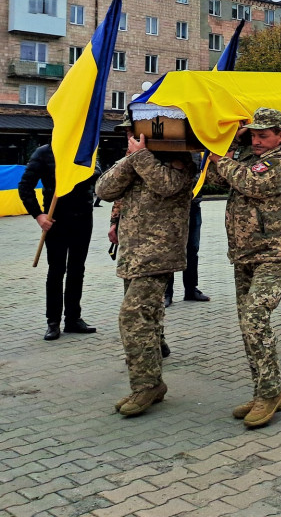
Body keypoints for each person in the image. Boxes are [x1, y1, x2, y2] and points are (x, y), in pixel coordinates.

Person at [206, 108, 281, 427]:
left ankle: (270, 393)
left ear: (279, 134)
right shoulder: (245, 153)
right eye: (254, 135)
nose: (258, 141)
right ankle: (266, 389)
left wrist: (223, 159)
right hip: (244, 252)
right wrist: (229, 146)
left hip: (272, 251)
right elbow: (216, 180)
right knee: (247, 323)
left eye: (263, 135)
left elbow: (253, 183)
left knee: (255, 316)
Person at [96, 132, 197, 417]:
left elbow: (166, 186)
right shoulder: (136, 161)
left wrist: (140, 156)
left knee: (133, 317)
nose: (133, 139)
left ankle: (145, 386)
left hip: (158, 255)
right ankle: (151, 383)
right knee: (147, 320)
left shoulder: (181, 161)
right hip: (132, 255)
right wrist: (131, 158)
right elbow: (104, 190)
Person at [18, 144, 99, 341]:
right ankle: (52, 322)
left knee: (77, 269)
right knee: (56, 270)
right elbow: (25, 185)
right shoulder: (44, 152)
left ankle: (73, 318)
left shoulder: (86, 149)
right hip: (56, 219)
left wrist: (79, 169)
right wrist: (38, 215)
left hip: (83, 216)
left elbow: (98, 174)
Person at [164, 194, 209, 307]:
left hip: (192, 205)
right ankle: (166, 293)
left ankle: (191, 290)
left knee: (192, 249)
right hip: (170, 207)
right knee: (168, 251)